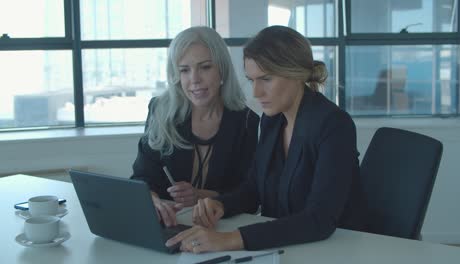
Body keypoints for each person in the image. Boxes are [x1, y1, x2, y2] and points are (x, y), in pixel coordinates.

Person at [166, 25, 365, 252]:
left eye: (266, 79)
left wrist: (229, 239)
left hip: (337, 250)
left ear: (296, 73)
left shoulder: (334, 125)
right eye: (252, 80)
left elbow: (319, 219)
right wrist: (220, 204)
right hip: (288, 247)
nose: (256, 93)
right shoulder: (272, 120)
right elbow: (254, 189)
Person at [131, 26, 259, 227]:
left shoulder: (246, 121)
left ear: (222, 69)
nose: (194, 79)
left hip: (222, 228)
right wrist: (151, 201)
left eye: (205, 67)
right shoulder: (160, 111)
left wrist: (201, 196)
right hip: (168, 225)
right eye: (184, 70)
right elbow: (141, 177)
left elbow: (250, 194)